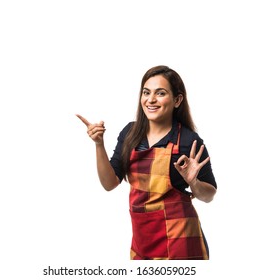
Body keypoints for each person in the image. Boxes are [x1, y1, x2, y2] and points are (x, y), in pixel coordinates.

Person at [76, 65, 217, 260]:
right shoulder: (130, 133)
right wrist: (99, 144)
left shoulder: (187, 140)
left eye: (160, 93)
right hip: (142, 241)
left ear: (177, 100)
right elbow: (109, 183)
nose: (151, 100)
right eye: (146, 92)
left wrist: (194, 182)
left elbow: (209, 195)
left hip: (180, 239)